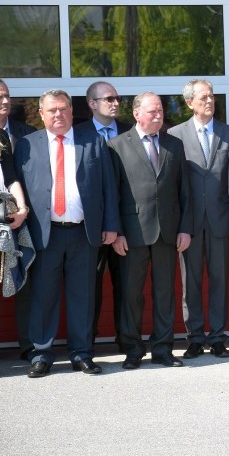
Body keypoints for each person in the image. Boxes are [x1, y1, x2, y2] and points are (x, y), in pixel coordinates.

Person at [15, 89, 119, 378]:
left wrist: (111, 225)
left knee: (82, 297)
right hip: (43, 234)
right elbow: (16, 188)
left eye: (63, 109)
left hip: (83, 234)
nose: (58, 114)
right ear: (41, 113)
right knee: (42, 297)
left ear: (72, 112)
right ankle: (41, 354)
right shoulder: (26, 145)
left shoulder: (93, 142)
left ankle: (82, 353)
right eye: (52, 110)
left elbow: (108, 187)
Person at [110, 92, 193, 369]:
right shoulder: (117, 146)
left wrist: (185, 229)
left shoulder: (174, 145)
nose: (158, 115)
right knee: (131, 294)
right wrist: (116, 232)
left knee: (164, 293)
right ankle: (133, 350)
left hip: (167, 232)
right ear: (136, 114)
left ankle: (163, 349)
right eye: (152, 111)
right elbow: (113, 194)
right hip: (131, 234)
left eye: (160, 111)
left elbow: (185, 193)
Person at [167, 79, 229, 359]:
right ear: (189, 103)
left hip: (221, 220)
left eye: (212, 96)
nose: (209, 101)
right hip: (190, 224)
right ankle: (195, 338)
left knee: (220, 280)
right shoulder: (174, 135)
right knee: (191, 283)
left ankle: (218, 337)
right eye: (203, 97)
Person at [79, 80, 131, 345]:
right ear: (92, 104)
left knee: (126, 286)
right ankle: (88, 342)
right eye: (109, 99)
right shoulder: (79, 134)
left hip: (127, 224)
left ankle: (127, 340)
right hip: (91, 228)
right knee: (90, 288)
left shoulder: (130, 131)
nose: (115, 103)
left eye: (117, 98)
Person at [0, 79, 37, 360]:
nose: (4, 101)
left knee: (20, 278)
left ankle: (28, 344)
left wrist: (22, 207)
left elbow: (12, 176)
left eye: (6, 96)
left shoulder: (5, 139)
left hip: (13, 222)